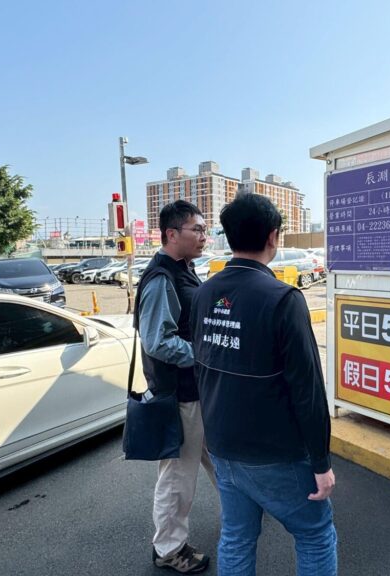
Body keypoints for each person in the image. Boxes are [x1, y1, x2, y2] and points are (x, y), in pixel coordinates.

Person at [190, 193, 336, 576]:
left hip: (222, 445)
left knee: (237, 537)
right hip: (276, 452)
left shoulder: (204, 293)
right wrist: (321, 463)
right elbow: (308, 390)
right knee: (315, 534)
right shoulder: (283, 299)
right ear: (273, 236)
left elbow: (202, 367)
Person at [133, 200, 215, 574]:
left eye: (205, 229)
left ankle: (243, 513)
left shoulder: (184, 270)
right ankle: (168, 547)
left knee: (220, 457)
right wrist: (204, 356)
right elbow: (157, 341)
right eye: (197, 229)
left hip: (197, 391)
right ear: (171, 234)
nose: (204, 236)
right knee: (177, 477)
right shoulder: (161, 279)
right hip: (178, 395)